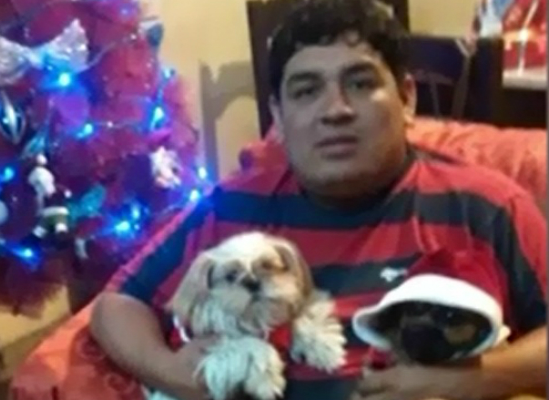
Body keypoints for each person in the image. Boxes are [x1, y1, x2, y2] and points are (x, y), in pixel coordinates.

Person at [90, 0, 547, 399]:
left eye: (361, 83)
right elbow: (117, 305)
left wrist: (466, 381)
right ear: (278, 115)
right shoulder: (233, 205)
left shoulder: (485, 205)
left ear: (407, 99)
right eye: (307, 91)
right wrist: (175, 375)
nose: (335, 110)